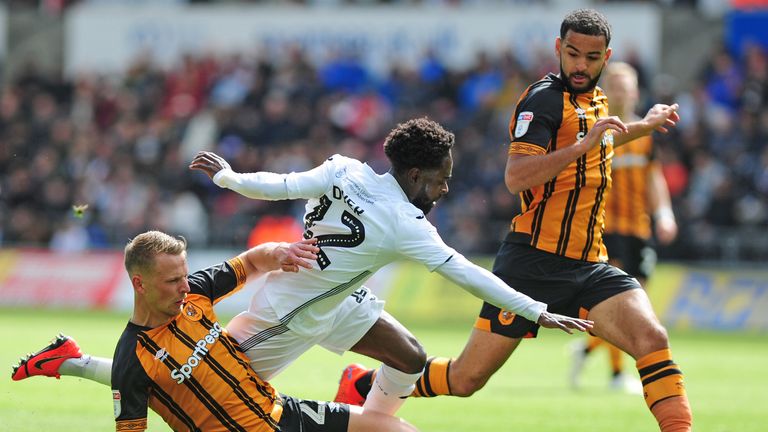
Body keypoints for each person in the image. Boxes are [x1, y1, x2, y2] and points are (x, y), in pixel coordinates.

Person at [333, 10, 692, 432]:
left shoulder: (596, 101)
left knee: (653, 340)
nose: (580, 65)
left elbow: (600, 137)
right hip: (531, 264)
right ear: (559, 49)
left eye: (591, 58)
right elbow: (516, 176)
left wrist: (642, 128)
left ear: (605, 57)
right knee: (466, 379)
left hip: (590, 262)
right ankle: (361, 385)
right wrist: (583, 146)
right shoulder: (541, 99)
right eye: (573, 54)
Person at [188, 117, 592, 416]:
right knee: (198, 385)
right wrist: (535, 309)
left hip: (342, 300)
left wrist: (229, 178)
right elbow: (468, 273)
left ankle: (368, 419)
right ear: (415, 175)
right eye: (440, 179)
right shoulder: (404, 223)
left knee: (410, 358)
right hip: (289, 314)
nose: (445, 188)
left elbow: (283, 185)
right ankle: (129, 364)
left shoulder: (343, 169)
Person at [12, 230, 417, 432]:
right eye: (172, 282)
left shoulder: (196, 294)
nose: (184, 287)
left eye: (185, 276)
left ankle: (68, 360)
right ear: (139, 285)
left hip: (284, 413)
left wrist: (279, 253)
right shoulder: (132, 360)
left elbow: (251, 262)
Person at [569, 61, 679, 393]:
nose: (619, 90)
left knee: (638, 302)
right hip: (605, 227)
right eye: (613, 84)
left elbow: (654, 177)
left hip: (639, 228)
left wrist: (665, 213)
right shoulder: (596, 129)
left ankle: (586, 349)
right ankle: (617, 376)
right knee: (621, 303)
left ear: (634, 91)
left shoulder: (647, 134)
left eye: (624, 84)